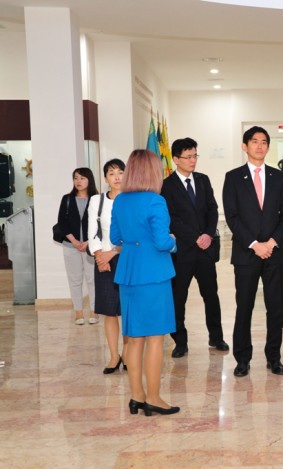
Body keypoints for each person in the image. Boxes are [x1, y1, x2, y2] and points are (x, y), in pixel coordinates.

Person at [110, 149, 179, 417]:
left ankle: (136, 396)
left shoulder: (120, 200)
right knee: (155, 338)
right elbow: (162, 242)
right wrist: (173, 241)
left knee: (135, 338)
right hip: (153, 273)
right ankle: (153, 398)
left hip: (128, 273)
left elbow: (115, 237)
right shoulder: (155, 201)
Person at [222, 126, 283, 378]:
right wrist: (254, 244)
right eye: (254, 141)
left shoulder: (278, 177)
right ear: (245, 146)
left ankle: (274, 357)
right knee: (244, 307)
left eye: (264, 142)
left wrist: (272, 242)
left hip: (274, 253)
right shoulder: (233, 177)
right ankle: (242, 359)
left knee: (275, 308)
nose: (260, 146)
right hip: (246, 253)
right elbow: (232, 216)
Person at [160, 137, 228, 358]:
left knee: (211, 295)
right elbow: (171, 218)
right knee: (178, 297)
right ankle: (180, 341)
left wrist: (207, 234)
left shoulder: (203, 180)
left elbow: (212, 209)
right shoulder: (167, 185)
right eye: (188, 156)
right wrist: (194, 238)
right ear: (176, 159)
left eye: (195, 155)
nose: (193, 160)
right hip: (183, 251)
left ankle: (216, 337)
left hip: (205, 249)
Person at [87, 158, 127, 374]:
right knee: (109, 311)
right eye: (112, 173)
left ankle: (128, 353)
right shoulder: (97, 200)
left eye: (120, 172)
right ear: (105, 178)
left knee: (127, 309)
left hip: (126, 258)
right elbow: (92, 231)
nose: (117, 177)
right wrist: (99, 256)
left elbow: (133, 234)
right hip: (104, 260)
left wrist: (114, 251)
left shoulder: (132, 199)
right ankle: (114, 356)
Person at [57, 167, 98, 325]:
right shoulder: (67, 199)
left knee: (92, 280)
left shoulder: (97, 199)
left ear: (89, 180)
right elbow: (62, 222)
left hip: (91, 246)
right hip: (70, 246)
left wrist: (88, 242)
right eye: (75, 178)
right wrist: (74, 241)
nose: (78, 181)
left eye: (82, 178)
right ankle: (78, 312)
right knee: (75, 280)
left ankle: (94, 311)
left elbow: (100, 223)